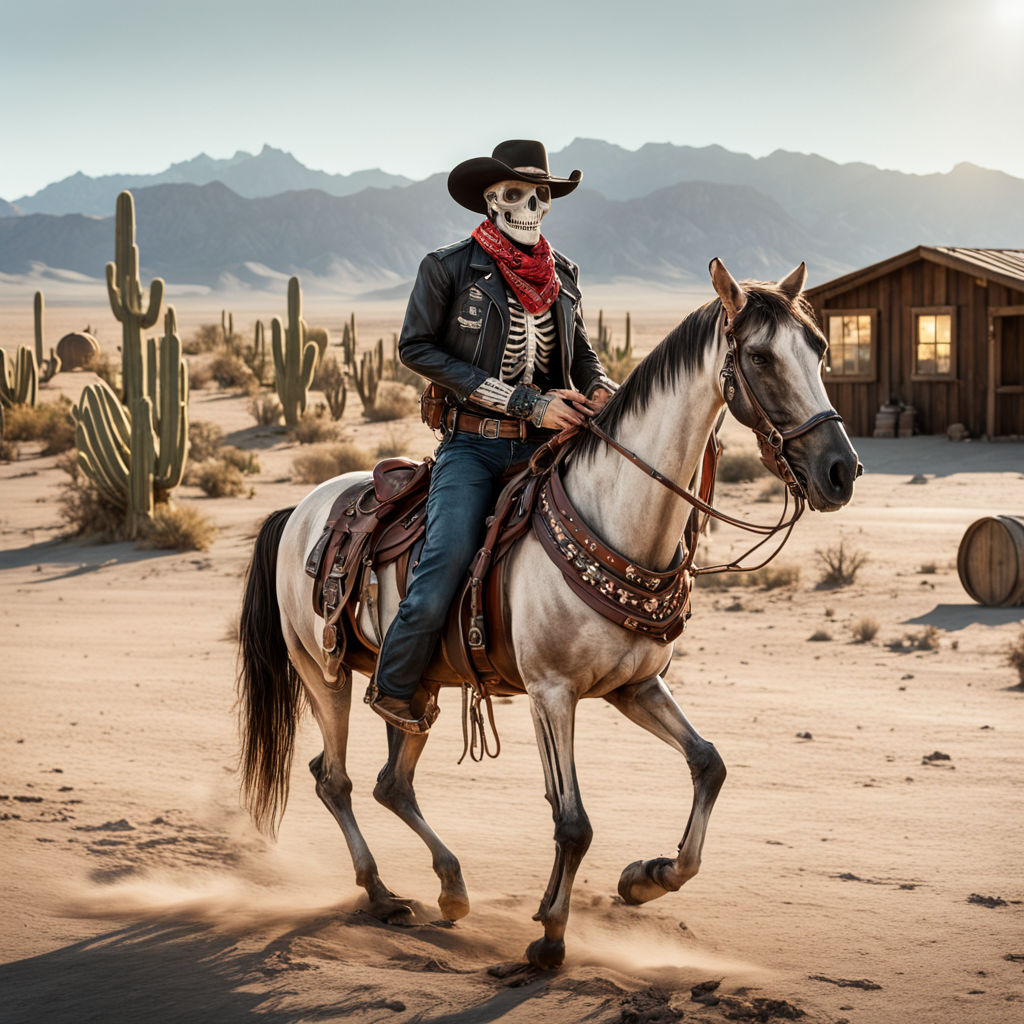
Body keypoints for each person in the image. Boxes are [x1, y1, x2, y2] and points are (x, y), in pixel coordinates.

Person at [367, 139, 616, 733]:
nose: (528, 205)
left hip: (550, 444)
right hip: (474, 444)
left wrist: (603, 386)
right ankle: (395, 683)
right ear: (490, 201)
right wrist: (526, 402)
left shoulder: (564, 275)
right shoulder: (449, 267)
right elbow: (415, 347)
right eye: (514, 195)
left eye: (540, 196)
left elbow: (581, 356)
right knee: (445, 559)